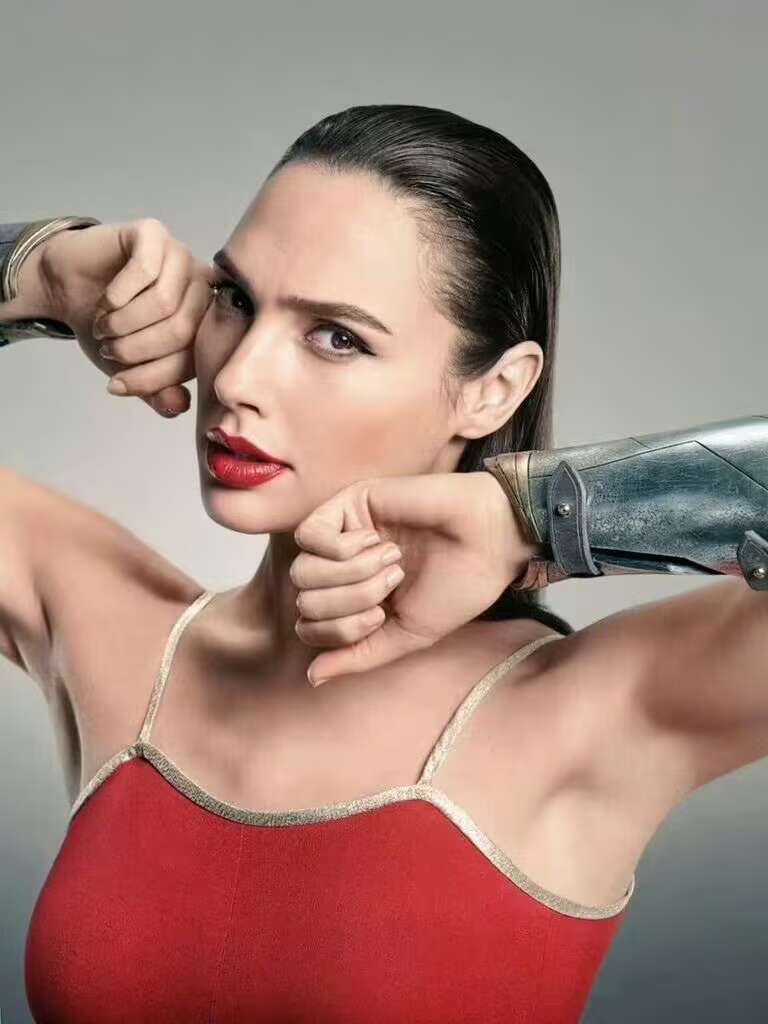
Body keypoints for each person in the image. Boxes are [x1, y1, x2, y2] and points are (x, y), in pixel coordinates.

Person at [1, 104, 766, 1024]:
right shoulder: (107, 629)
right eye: (235, 300)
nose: (237, 379)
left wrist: (532, 515)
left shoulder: (595, 714)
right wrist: (39, 273)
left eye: (338, 336)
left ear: (494, 391)